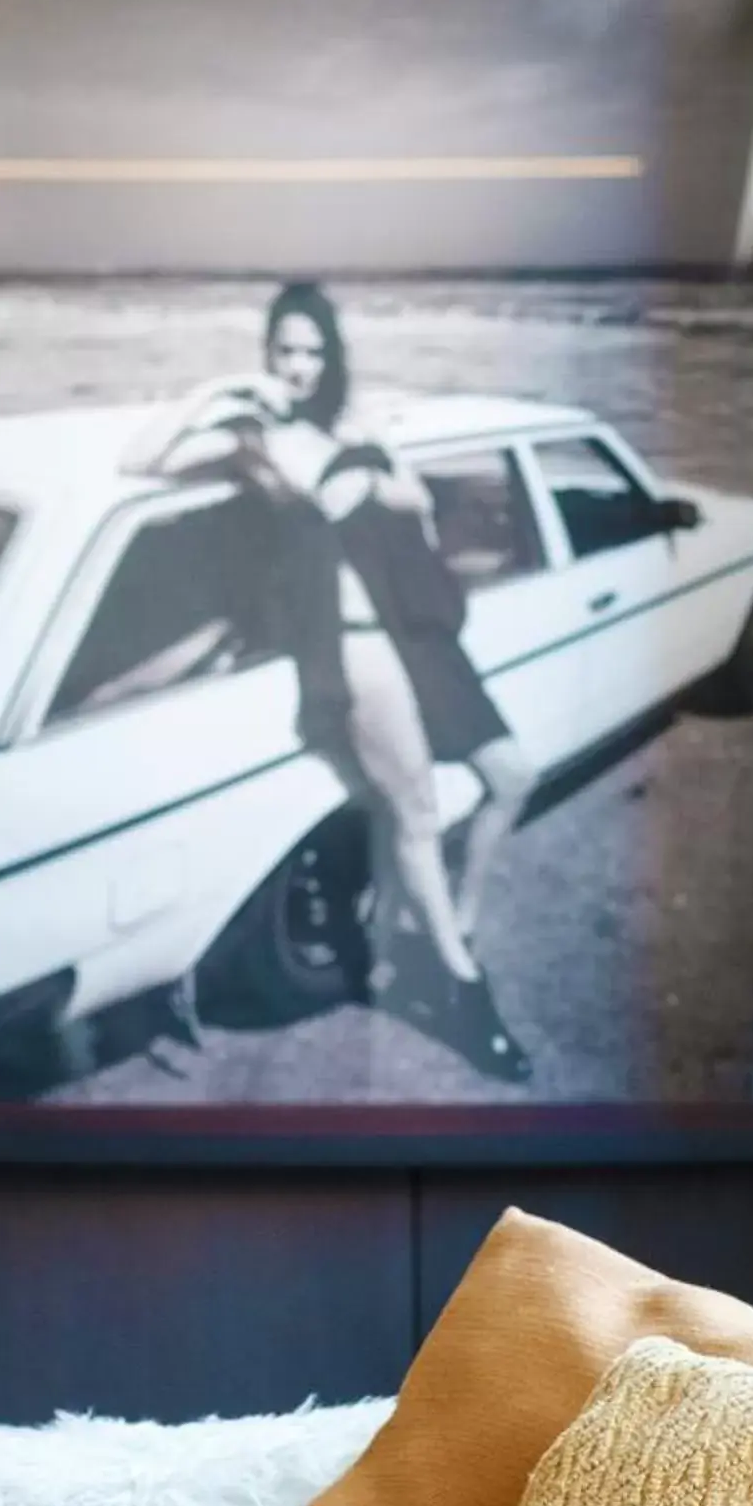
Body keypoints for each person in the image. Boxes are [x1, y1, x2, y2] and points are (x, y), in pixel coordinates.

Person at [161, 285, 532, 1084]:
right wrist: (214, 397)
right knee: (418, 813)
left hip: (416, 638)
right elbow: (144, 462)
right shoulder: (253, 441)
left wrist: (378, 467)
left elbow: (417, 505)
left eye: (311, 352)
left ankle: (451, 929)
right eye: (283, 351)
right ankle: (466, 995)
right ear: (266, 357)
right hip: (356, 652)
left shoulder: (353, 428)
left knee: (511, 777)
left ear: (330, 358)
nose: (297, 366)